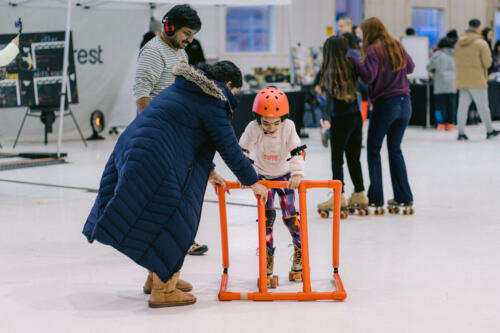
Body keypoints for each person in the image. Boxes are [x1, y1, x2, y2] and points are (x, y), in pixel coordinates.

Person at [83, 61, 269, 308]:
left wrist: (210, 172)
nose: (233, 98)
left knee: (157, 216)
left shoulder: (186, 88)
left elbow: (184, 132)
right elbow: (229, 148)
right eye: (235, 92)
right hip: (155, 158)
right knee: (174, 217)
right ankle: (164, 289)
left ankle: (158, 276)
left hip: (135, 149)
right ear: (228, 85)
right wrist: (253, 182)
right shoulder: (213, 100)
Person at [133, 5, 208, 256]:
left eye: (193, 34)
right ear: (169, 27)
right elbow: (142, 93)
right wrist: (153, 133)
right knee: (167, 191)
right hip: (159, 134)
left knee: (179, 189)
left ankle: (180, 238)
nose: (190, 39)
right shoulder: (154, 52)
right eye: (186, 33)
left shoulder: (179, 53)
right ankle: (168, 240)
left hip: (176, 133)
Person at [348, 17, 415, 213]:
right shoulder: (396, 45)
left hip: (386, 104)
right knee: (395, 149)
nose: (361, 37)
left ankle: (376, 198)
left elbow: (368, 76)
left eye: (362, 33)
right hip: (405, 103)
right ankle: (404, 197)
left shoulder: (373, 49)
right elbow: (410, 67)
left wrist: (353, 60)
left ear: (369, 32)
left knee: (373, 149)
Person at [239, 87, 305, 284]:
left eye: (276, 122)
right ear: (259, 118)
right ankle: (267, 261)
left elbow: (296, 150)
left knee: (290, 217)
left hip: (284, 176)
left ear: (283, 118)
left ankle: (299, 253)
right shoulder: (254, 127)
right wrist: (246, 177)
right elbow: (242, 151)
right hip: (262, 180)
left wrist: (298, 173)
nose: (271, 127)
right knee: (266, 221)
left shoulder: (288, 126)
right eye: (266, 123)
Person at [316, 36, 368, 218]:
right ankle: (360, 193)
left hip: (339, 119)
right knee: (354, 158)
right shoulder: (351, 66)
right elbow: (364, 88)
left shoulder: (330, 69)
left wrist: (325, 118)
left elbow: (329, 100)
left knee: (337, 159)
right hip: (355, 117)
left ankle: (339, 196)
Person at [454, 18, 499, 140]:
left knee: (462, 107)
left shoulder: (459, 43)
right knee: (483, 107)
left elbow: (455, 60)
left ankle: (461, 132)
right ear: (479, 29)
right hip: (477, 80)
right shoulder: (481, 43)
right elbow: (488, 62)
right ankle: (489, 131)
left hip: (462, 79)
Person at [427, 37, 457, 131]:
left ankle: (441, 124)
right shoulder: (455, 54)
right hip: (452, 83)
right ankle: (451, 124)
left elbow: (429, 66)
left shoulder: (437, 55)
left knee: (439, 107)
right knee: (451, 105)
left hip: (440, 84)